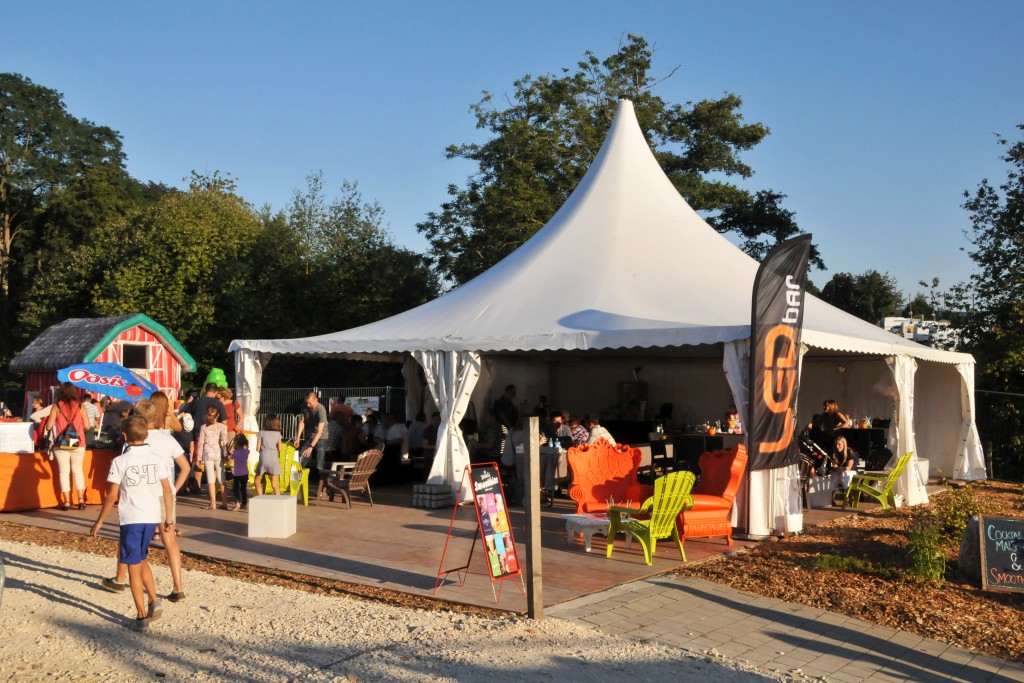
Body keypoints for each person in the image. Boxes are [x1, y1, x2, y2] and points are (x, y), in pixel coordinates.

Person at [89, 415, 175, 631]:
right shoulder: (157, 459)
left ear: (125, 436)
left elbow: (112, 495)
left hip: (131, 519)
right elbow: (167, 490)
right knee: (142, 558)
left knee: (133, 567)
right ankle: (154, 600)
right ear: (146, 434)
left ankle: (141, 617)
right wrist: (169, 517)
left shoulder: (120, 461)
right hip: (152, 517)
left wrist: (99, 522)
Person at [100, 399, 189, 602]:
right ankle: (178, 587)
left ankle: (120, 578)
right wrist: (173, 490)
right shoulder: (167, 439)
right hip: (164, 494)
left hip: (141, 497)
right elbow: (185, 467)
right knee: (169, 540)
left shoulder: (130, 441)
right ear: (156, 416)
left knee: (128, 538)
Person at [44, 382, 89, 511]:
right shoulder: (80, 406)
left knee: (64, 472)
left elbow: (48, 426)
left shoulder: (57, 406)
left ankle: (67, 502)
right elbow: (87, 426)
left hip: (61, 444)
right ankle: (81, 500)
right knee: (78, 470)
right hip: (78, 443)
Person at [195, 405, 228, 510]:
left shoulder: (203, 427)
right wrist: (225, 455)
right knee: (222, 479)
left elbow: (200, 444)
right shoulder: (222, 426)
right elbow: (225, 442)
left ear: (207, 415)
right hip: (218, 454)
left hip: (208, 454)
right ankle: (224, 503)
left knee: (210, 479)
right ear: (217, 415)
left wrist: (199, 458)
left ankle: (213, 504)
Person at [294, 392, 327, 470]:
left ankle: (320, 473)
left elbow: (320, 432)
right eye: (307, 403)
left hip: (321, 436)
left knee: (320, 456)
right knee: (303, 454)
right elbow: (302, 421)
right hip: (310, 435)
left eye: (310, 403)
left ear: (316, 400)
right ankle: (300, 471)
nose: (308, 405)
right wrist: (298, 438)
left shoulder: (321, 409)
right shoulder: (304, 405)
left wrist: (311, 447)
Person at [377, 412, 409, 484]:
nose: (382, 423)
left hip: (397, 454)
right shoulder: (393, 428)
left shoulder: (396, 428)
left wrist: (385, 442)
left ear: (388, 419)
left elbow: (399, 440)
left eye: (383, 420)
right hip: (394, 453)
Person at [254, 414, 283, 496]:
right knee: (274, 485)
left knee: (257, 482)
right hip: (274, 458)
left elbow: (257, 448)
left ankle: (261, 498)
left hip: (264, 456)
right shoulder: (278, 434)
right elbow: (280, 449)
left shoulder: (261, 433)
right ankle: (279, 500)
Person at [229, 433, 250, 511]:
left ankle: (237, 503)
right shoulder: (247, 451)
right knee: (243, 489)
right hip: (245, 473)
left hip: (237, 474)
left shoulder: (235, 453)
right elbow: (247, 448)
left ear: (236, 443)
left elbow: (229, 462)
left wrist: (226, 457)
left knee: (236, 489)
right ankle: (244, 503)